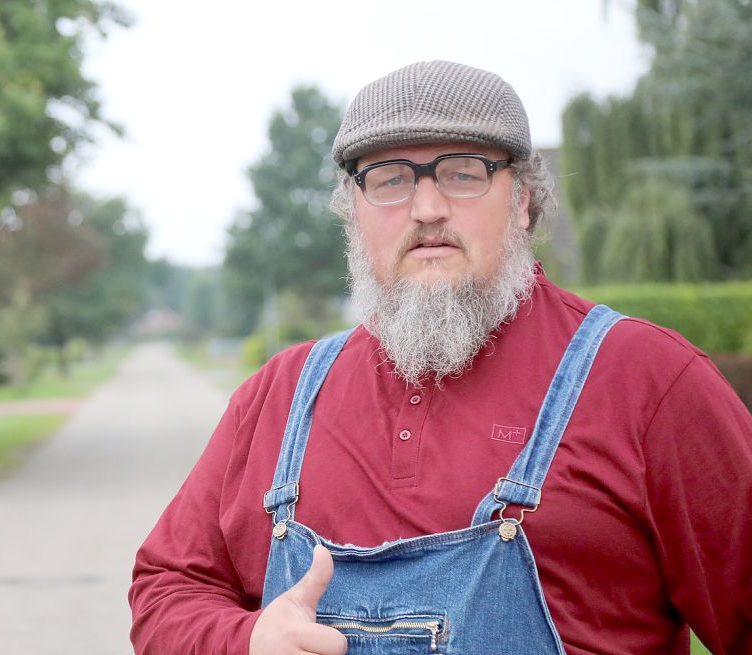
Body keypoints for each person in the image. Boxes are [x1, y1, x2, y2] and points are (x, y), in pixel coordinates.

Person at [128, 60, 752, 654]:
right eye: (391, 178)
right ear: (354, 212)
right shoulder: (281, 394)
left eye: (463, 172)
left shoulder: (648, 380)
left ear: (523, 199)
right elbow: (165, 592)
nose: (427, 209)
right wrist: (246, 642)